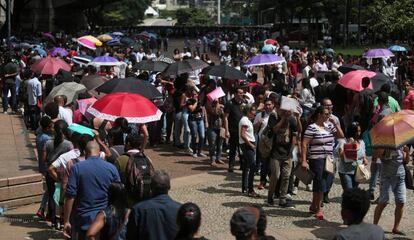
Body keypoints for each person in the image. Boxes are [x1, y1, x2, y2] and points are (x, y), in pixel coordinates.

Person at [63, 141, 121, 239]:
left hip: (83, 220)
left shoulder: (77, 168)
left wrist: (66, 221)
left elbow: (70, 196)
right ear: (99, 153)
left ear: (85, 153)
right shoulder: (112, 168)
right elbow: (119, 192)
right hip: (105, 220)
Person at [301, 106, 344, 220]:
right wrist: (304, 160)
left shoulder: (329, 126)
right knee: (319, 182)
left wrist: (335, 124)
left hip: (329, 158)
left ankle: (314, 205)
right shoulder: (312, 128)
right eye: (325, 114)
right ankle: (318, 208)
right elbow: (304, 143)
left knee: (325, 182)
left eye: (328, 114)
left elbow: (341, 136)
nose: (328, 116)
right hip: (317, 158)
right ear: (319, 114)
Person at [126, 170, 181, 240]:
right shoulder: (180, 209)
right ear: (169, 187)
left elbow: (131, 236)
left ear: (151, 187)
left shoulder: (138, 209)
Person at [373, 145, 410, 235]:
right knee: (383, 202)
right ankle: (374, 227)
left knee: (401, 201)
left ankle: (395, 228)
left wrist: (407, 152)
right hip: (387, 178)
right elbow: (376, 156)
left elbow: (406, 161)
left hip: (400, 176)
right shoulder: (383, 144)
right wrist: (384, 150)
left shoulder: (402, 145)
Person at [43, 120, 73, 228]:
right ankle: (63, 219)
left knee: (51, 196)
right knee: (63, 198)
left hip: (50, 172)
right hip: (64, 174)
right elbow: (72, 157)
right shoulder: (69, 144)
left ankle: (53, 220)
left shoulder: (48, 142)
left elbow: (44, 158)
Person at [266, 107, 297, 208]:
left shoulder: (292, 119)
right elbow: (274, 130)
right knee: (275, 176)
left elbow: (297, 133)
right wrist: (283, 118)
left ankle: (282, 199)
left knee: (286, 176)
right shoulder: (273, 117)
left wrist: (298, 118)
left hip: (287, 153)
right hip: (275, 152)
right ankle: (270, 197)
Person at [337, 122, 368, 191]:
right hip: (345, 171)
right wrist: (350, 144)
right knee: (349, 191)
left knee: (354, 191)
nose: (358, 133)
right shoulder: (343, 142)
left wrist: (365, 159)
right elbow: (341, 155)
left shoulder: (361, 142)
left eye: (359, 131)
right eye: (356, 131)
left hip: (357, 171)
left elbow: (363, 153)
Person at [35, 116, 54, 219]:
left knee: (48, 188)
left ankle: (42, 208)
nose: (52, 129)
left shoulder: (39, 135)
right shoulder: (47, 139)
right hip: (47, 166)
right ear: (47, 128)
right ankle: (42, 208)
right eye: (51, 127)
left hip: (42, 166)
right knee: (49, 189)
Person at [224, 87, 245, 172]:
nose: (241, 95)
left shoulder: (243, 103)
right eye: (240, 93)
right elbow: (225, 117)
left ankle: (242, 164)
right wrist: (226, 130)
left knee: (242, 148)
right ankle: (231, 165)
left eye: (242, 93)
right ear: (235, 94)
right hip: (233, 130)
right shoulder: (230, 103)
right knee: (233, 148)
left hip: (242, 129)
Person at [239, 104, 258, 197]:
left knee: (246, 167)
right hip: (247, 145)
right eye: (253, 111)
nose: (254, 113)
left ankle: (245, 187)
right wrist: (250, 145)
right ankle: (250, 189)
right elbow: (242, 134)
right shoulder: (245, 120)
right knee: (252, 166)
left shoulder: (247, 120)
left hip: (247, 144)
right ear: (248, 111)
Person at [187, 88, 207, 158]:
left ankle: (200, 151)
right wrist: (195, 102)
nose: (194, 96)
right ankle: (194, 152)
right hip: (192, 120)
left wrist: (206, 121)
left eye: (195, 94)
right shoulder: (189, 101)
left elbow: (204, 110)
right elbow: (191, 109)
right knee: (194, 136)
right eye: (192, 94)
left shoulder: (201, 101)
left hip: (200, 120)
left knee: (202, 136)